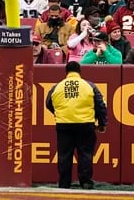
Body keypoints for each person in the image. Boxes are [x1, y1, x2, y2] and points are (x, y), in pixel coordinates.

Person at [45, 60, 107, 190]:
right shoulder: (89, 85)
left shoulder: (57, 86)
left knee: (64, 156)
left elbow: (48, 103)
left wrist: (59, 114)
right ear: (79, 72)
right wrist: (102, 123)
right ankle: (85, 182)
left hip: (64, 125)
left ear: (66, 72)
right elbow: (100, 105)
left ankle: (64, 184)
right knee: (85, 154)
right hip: (85, 124)